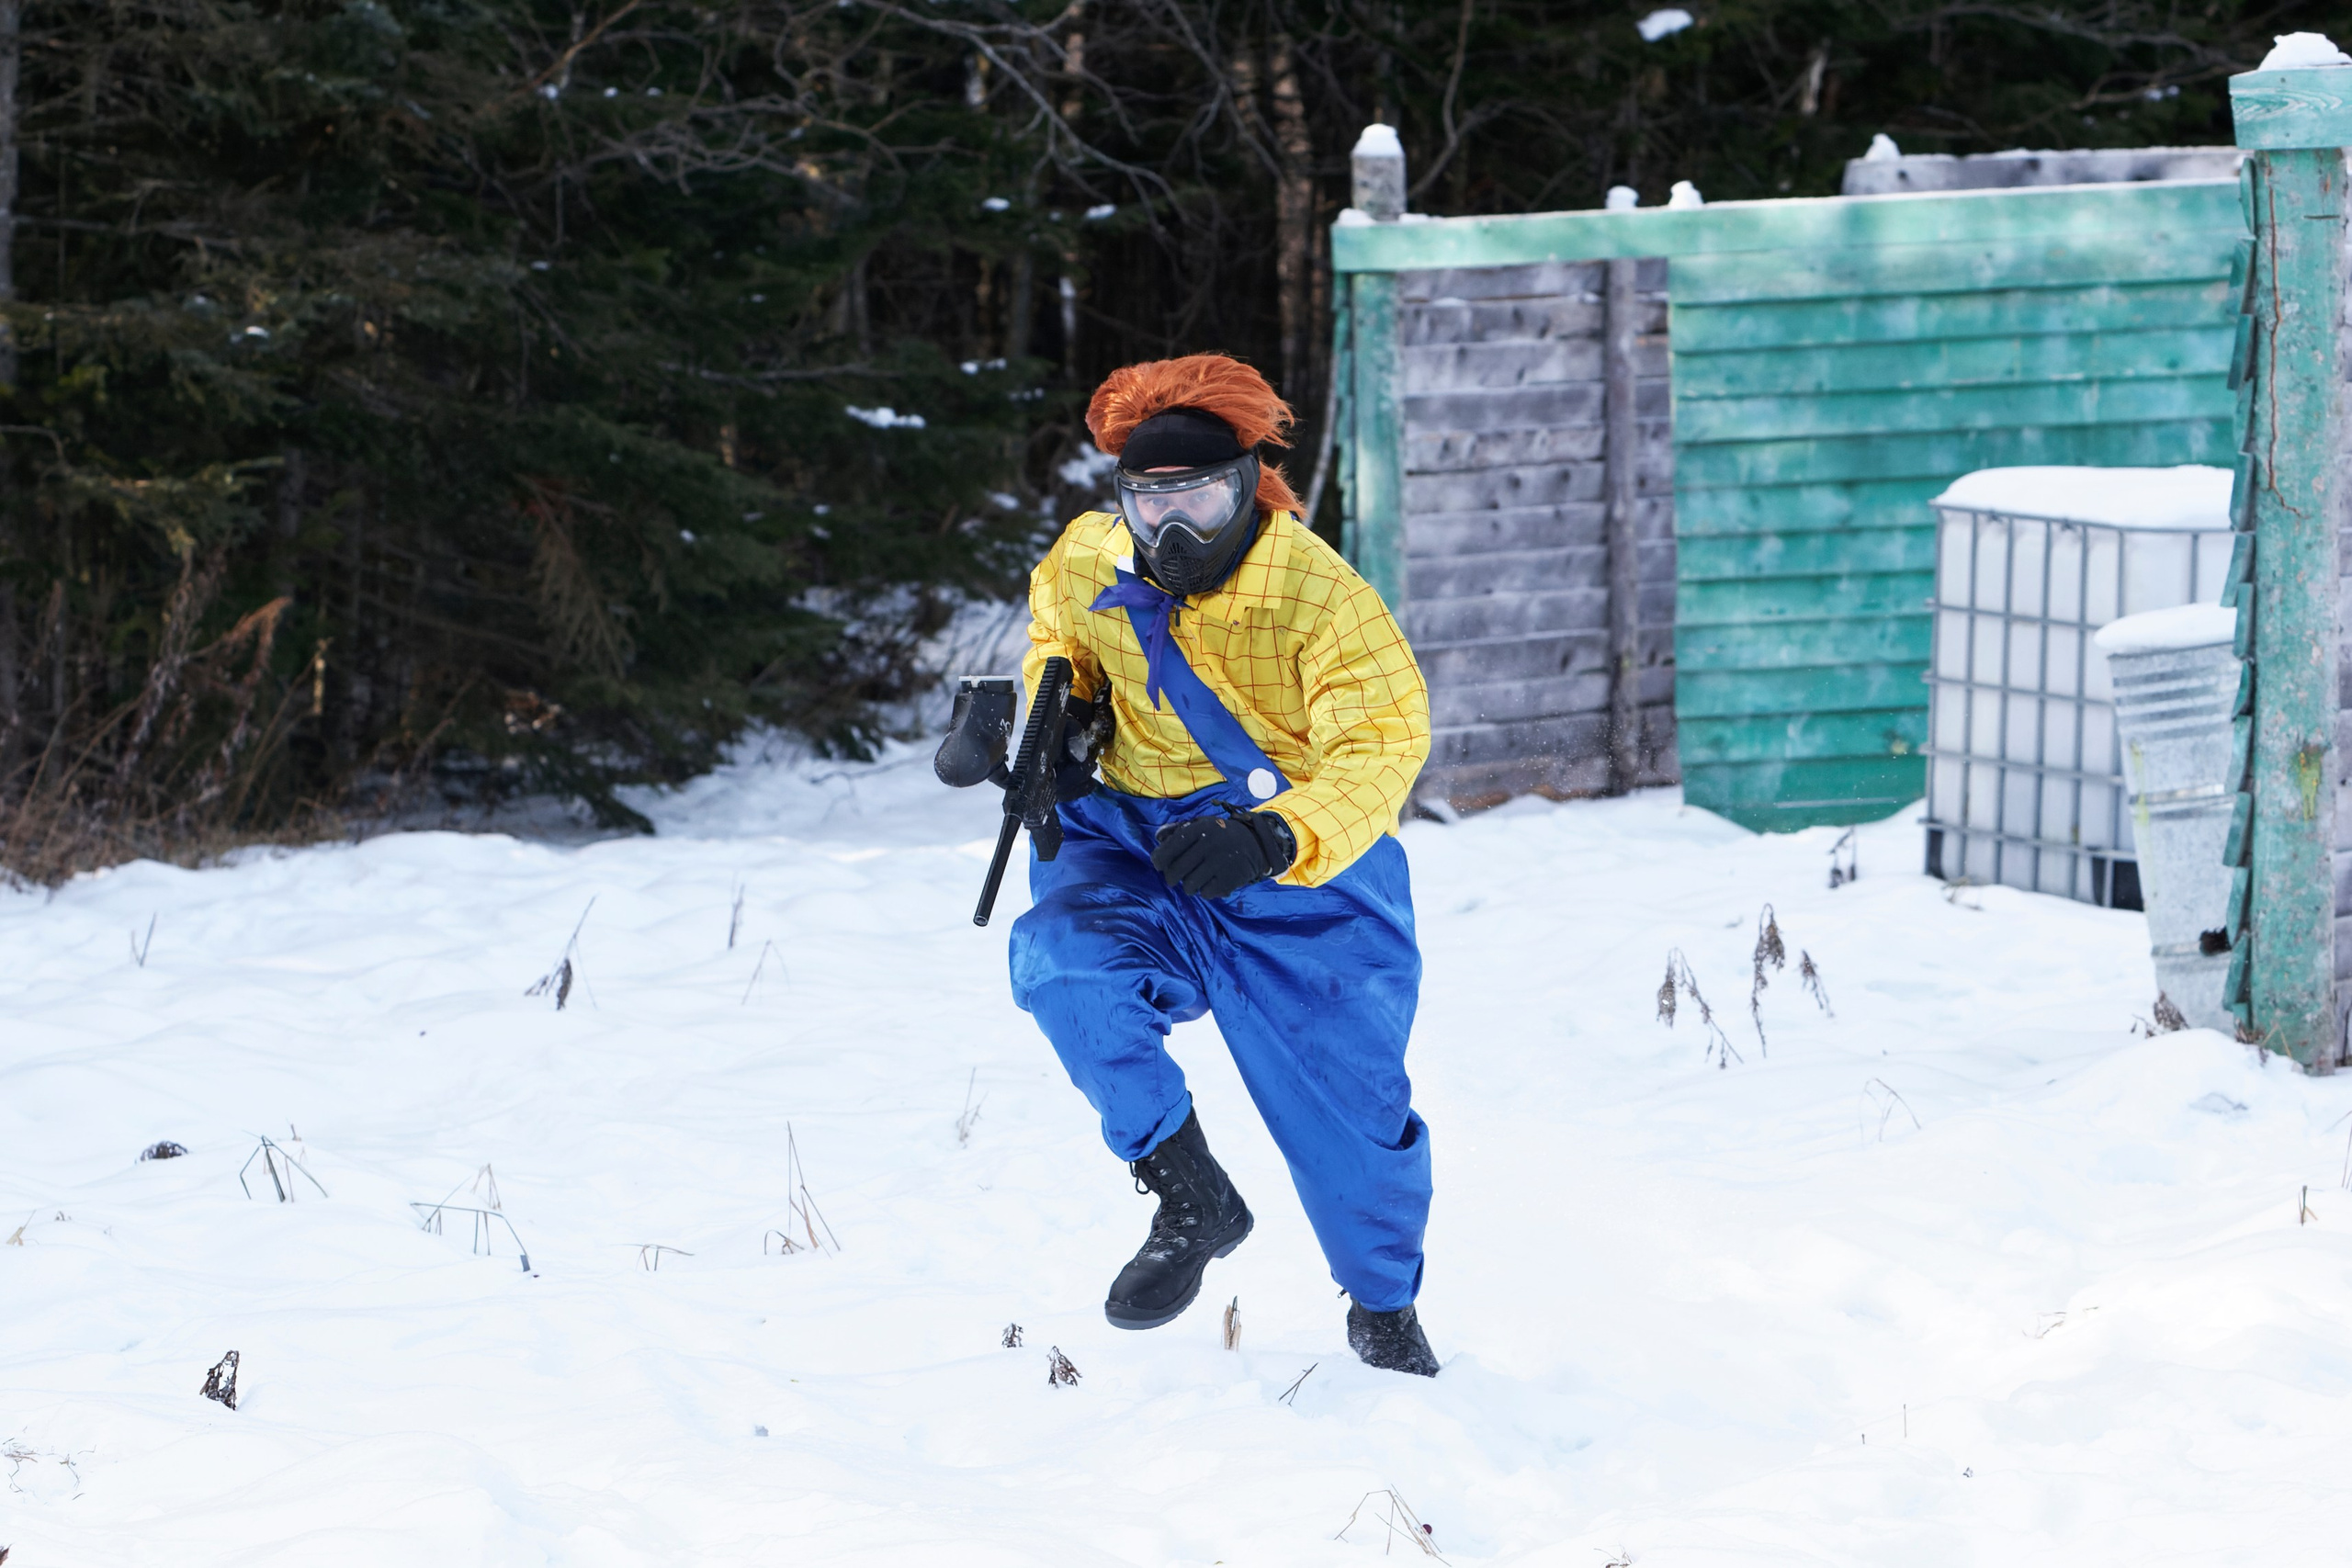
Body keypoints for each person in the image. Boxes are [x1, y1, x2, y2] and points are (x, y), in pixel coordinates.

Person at [941, 353, 1440, 1375]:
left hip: (1302, 871)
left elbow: (1382, 747)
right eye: (1148, 499)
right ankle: (1187, 1193)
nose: (1171, 530)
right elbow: (1058, 640)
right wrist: (1050, 717)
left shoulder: (1318, 596)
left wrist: (1277, 836)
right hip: (1136, 843)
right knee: (1063, 968)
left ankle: (1384, 1313)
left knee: (1352, 1118)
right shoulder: (1089, 557)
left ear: (1251, 486)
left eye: (1202, 498)